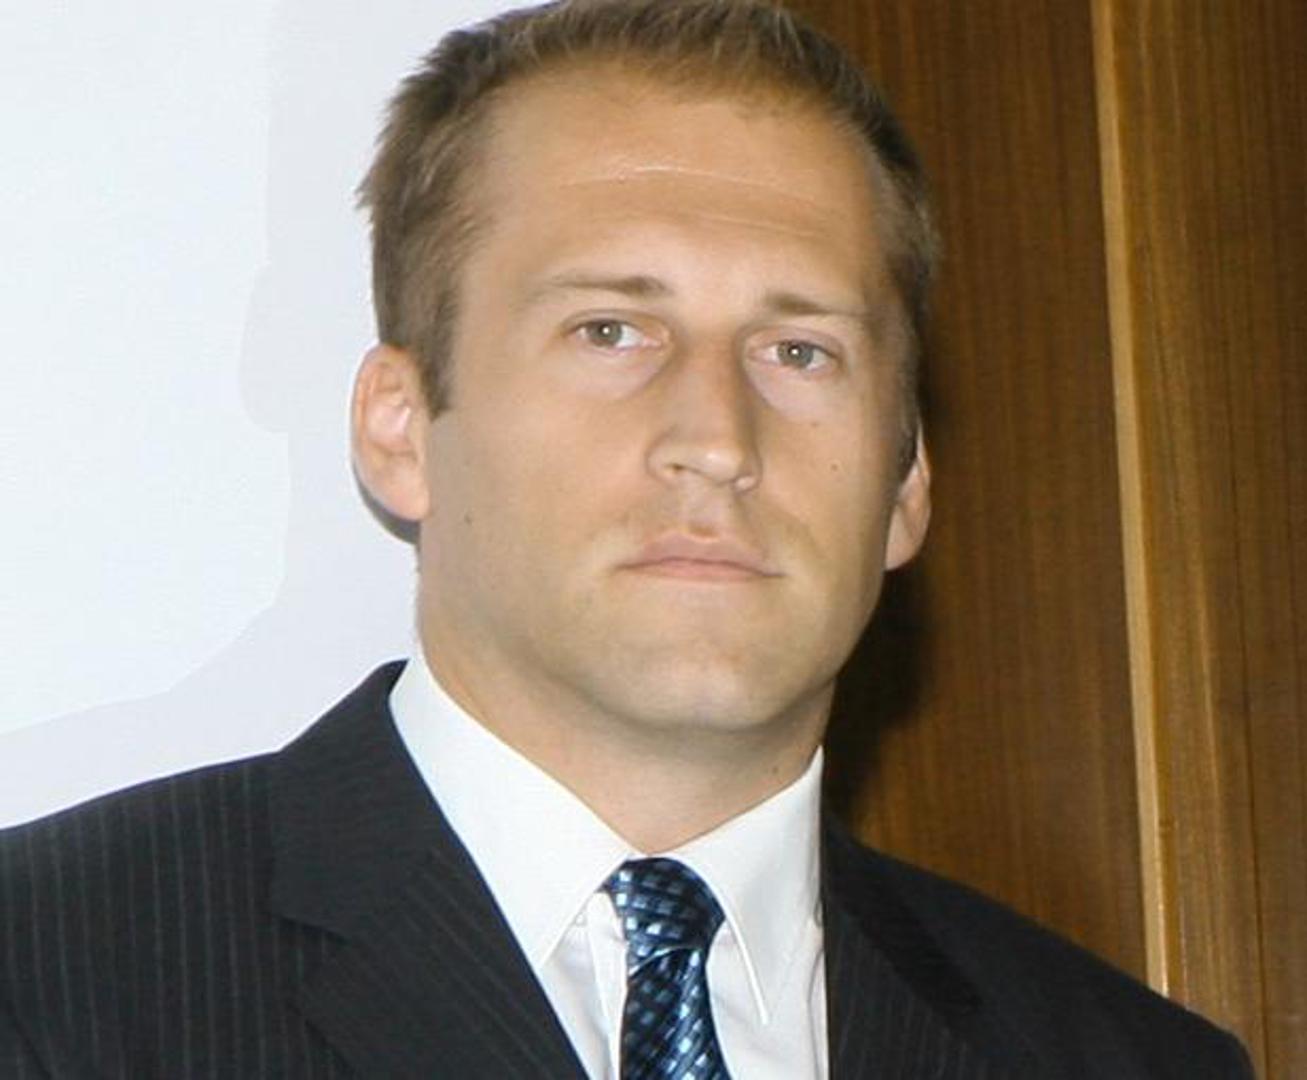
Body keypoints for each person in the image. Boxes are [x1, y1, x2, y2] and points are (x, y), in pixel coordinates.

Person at [0, 1, 1252, 1077]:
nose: (714, 438)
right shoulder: (48, 980)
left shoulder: (1126, 1059)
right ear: (400, 428)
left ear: (906, 481)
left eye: (799, 349)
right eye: (609, 331)